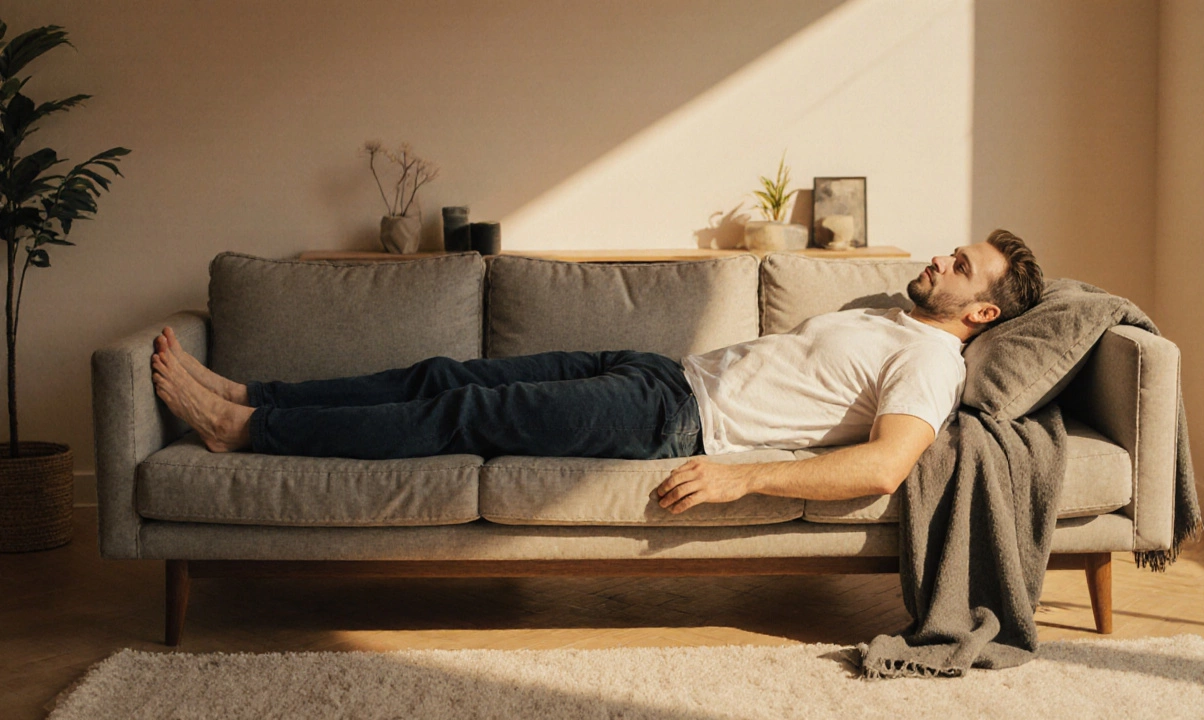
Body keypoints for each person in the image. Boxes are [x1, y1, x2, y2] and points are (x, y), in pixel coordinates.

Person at [150, 229, 1042, 516]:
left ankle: (248, 433)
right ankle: (256, 394)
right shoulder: (889, 312)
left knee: (459, 414)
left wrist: (744, 480)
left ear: (982, 314)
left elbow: (885, 466)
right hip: (656, 371)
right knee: (442, 372)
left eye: (961, 267)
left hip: (673, 422)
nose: (939, 260)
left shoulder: (930, 361)